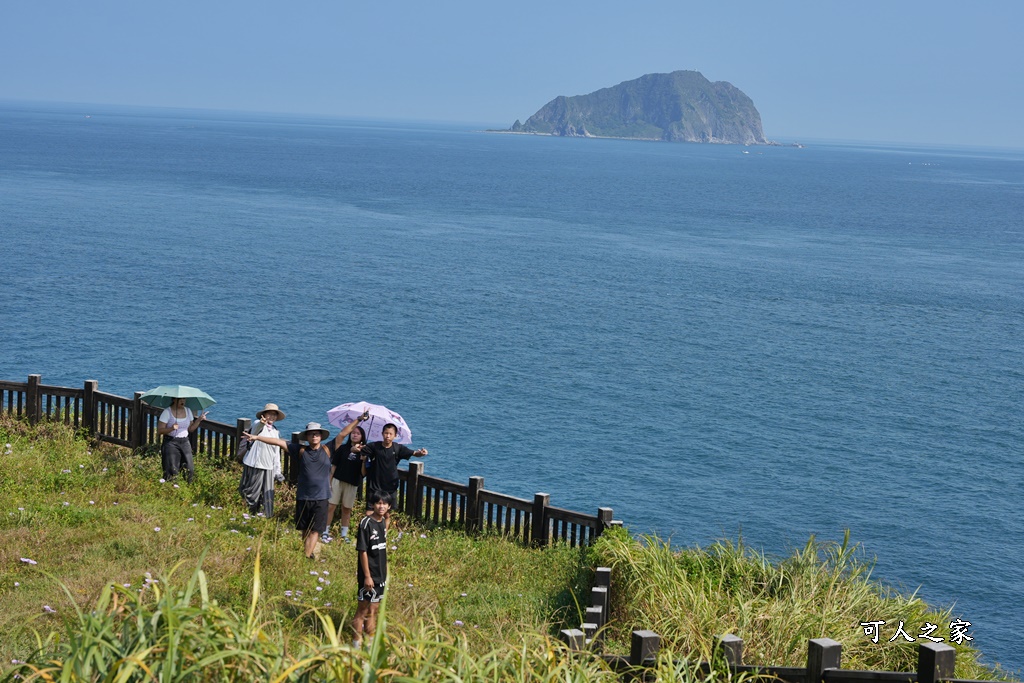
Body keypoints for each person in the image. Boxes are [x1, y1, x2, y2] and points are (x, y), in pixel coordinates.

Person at [246, 421, 334, 559]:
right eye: (311, 434)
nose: (314, 436)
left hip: (322, 497)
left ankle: (306, 556)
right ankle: (307, 552)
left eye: (316, 434)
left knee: (316, 529)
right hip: (304, 496)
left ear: (321, 436)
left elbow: (343, 434)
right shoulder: (301, 450)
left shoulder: (328, 449)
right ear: (307, 437)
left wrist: (358, 420)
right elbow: (278, 442)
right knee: (305, 528)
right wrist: (257, 437)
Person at [353, 422, 428, 506]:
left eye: (390, 434)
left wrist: (421, 453)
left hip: (390, 487)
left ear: (395, 435)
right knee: (370, 512)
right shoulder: (374, 446)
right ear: (382, 434)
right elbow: (358, 450)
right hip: (374, 486)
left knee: (387, 514)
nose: (388, 436)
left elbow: (414, 453)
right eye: (386, 433)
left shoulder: (398, 448)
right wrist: (354, 448)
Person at [352, 490, 390, 648]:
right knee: (362, 609)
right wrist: (367, 576)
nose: (381, 506)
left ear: (389, 506)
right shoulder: (366, 523)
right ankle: (355, 644)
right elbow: (362, 551)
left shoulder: (382, 522)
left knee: (373, 610)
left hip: (381, 576)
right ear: (373, 505)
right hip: (369, 576)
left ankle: (370, 643)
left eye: (384, 504)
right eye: (378, 503)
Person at [238, 403, 285, 517]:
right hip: (255, 464)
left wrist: (277, 470)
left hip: (268, 466)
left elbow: (276, 453)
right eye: (270, 414)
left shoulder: (275, 431)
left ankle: (266, 516)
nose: (272, 417)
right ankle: (249, 514)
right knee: (252, 492)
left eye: (274, 415)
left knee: (268, 494)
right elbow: (255, 430)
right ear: (264, 414)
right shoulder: (257, 424)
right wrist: (261, 423)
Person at [327, 417, 368, 543]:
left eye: (358, 433)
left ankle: (344, 534)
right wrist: (329, 482)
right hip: (337, 480)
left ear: (362, 437)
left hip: (352, 483)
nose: (355, 435)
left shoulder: (365, 452)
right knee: (331, 506)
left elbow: (363, 473)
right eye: (353, 433)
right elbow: (334, 466)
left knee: (347, 509)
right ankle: (325, 531)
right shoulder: (343, 449)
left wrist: (364, 460)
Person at [157, 397, 208, 482]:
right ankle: (171, 488)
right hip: (171, 442)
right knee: (172, 469)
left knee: (189, 468)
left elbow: (191, 429)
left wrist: (199, 420)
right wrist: (171, 428)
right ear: (174, 400)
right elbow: (160, 430)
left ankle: (187, 488)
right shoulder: (167, 412)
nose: (183, 401)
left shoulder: (188, 411)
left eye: (184, 399)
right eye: (180, 399)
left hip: (184, 441)